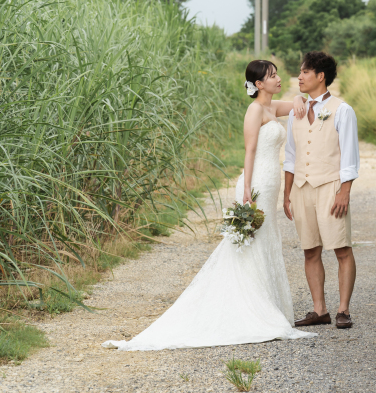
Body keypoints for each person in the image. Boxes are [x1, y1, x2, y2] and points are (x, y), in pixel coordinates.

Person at [102, 60, 315, 350]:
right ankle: (250, 306)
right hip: (257, 185)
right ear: (259, 84)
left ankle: (263, 301)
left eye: (277, 75)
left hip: (271, 182)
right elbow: (249, 152)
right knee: (254, 241)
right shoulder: (254, 111)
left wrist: (301, 97)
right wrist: (246, 194)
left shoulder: (272, 107)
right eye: (273, 76)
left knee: (266, 240)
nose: (279, 79)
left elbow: (296, 103)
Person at [283, 52, 359, 330]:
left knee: (341, 248)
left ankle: (343, 310)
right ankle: (320, 310)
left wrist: (344, 191)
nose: (299, 77)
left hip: (330, 187)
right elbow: (290, 156)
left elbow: (350, 156)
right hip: (302, 188)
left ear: (320, 76)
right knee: (310, 251)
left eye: (304, 72)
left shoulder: (343, 110)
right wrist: (286, 192)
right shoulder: (296, 111)